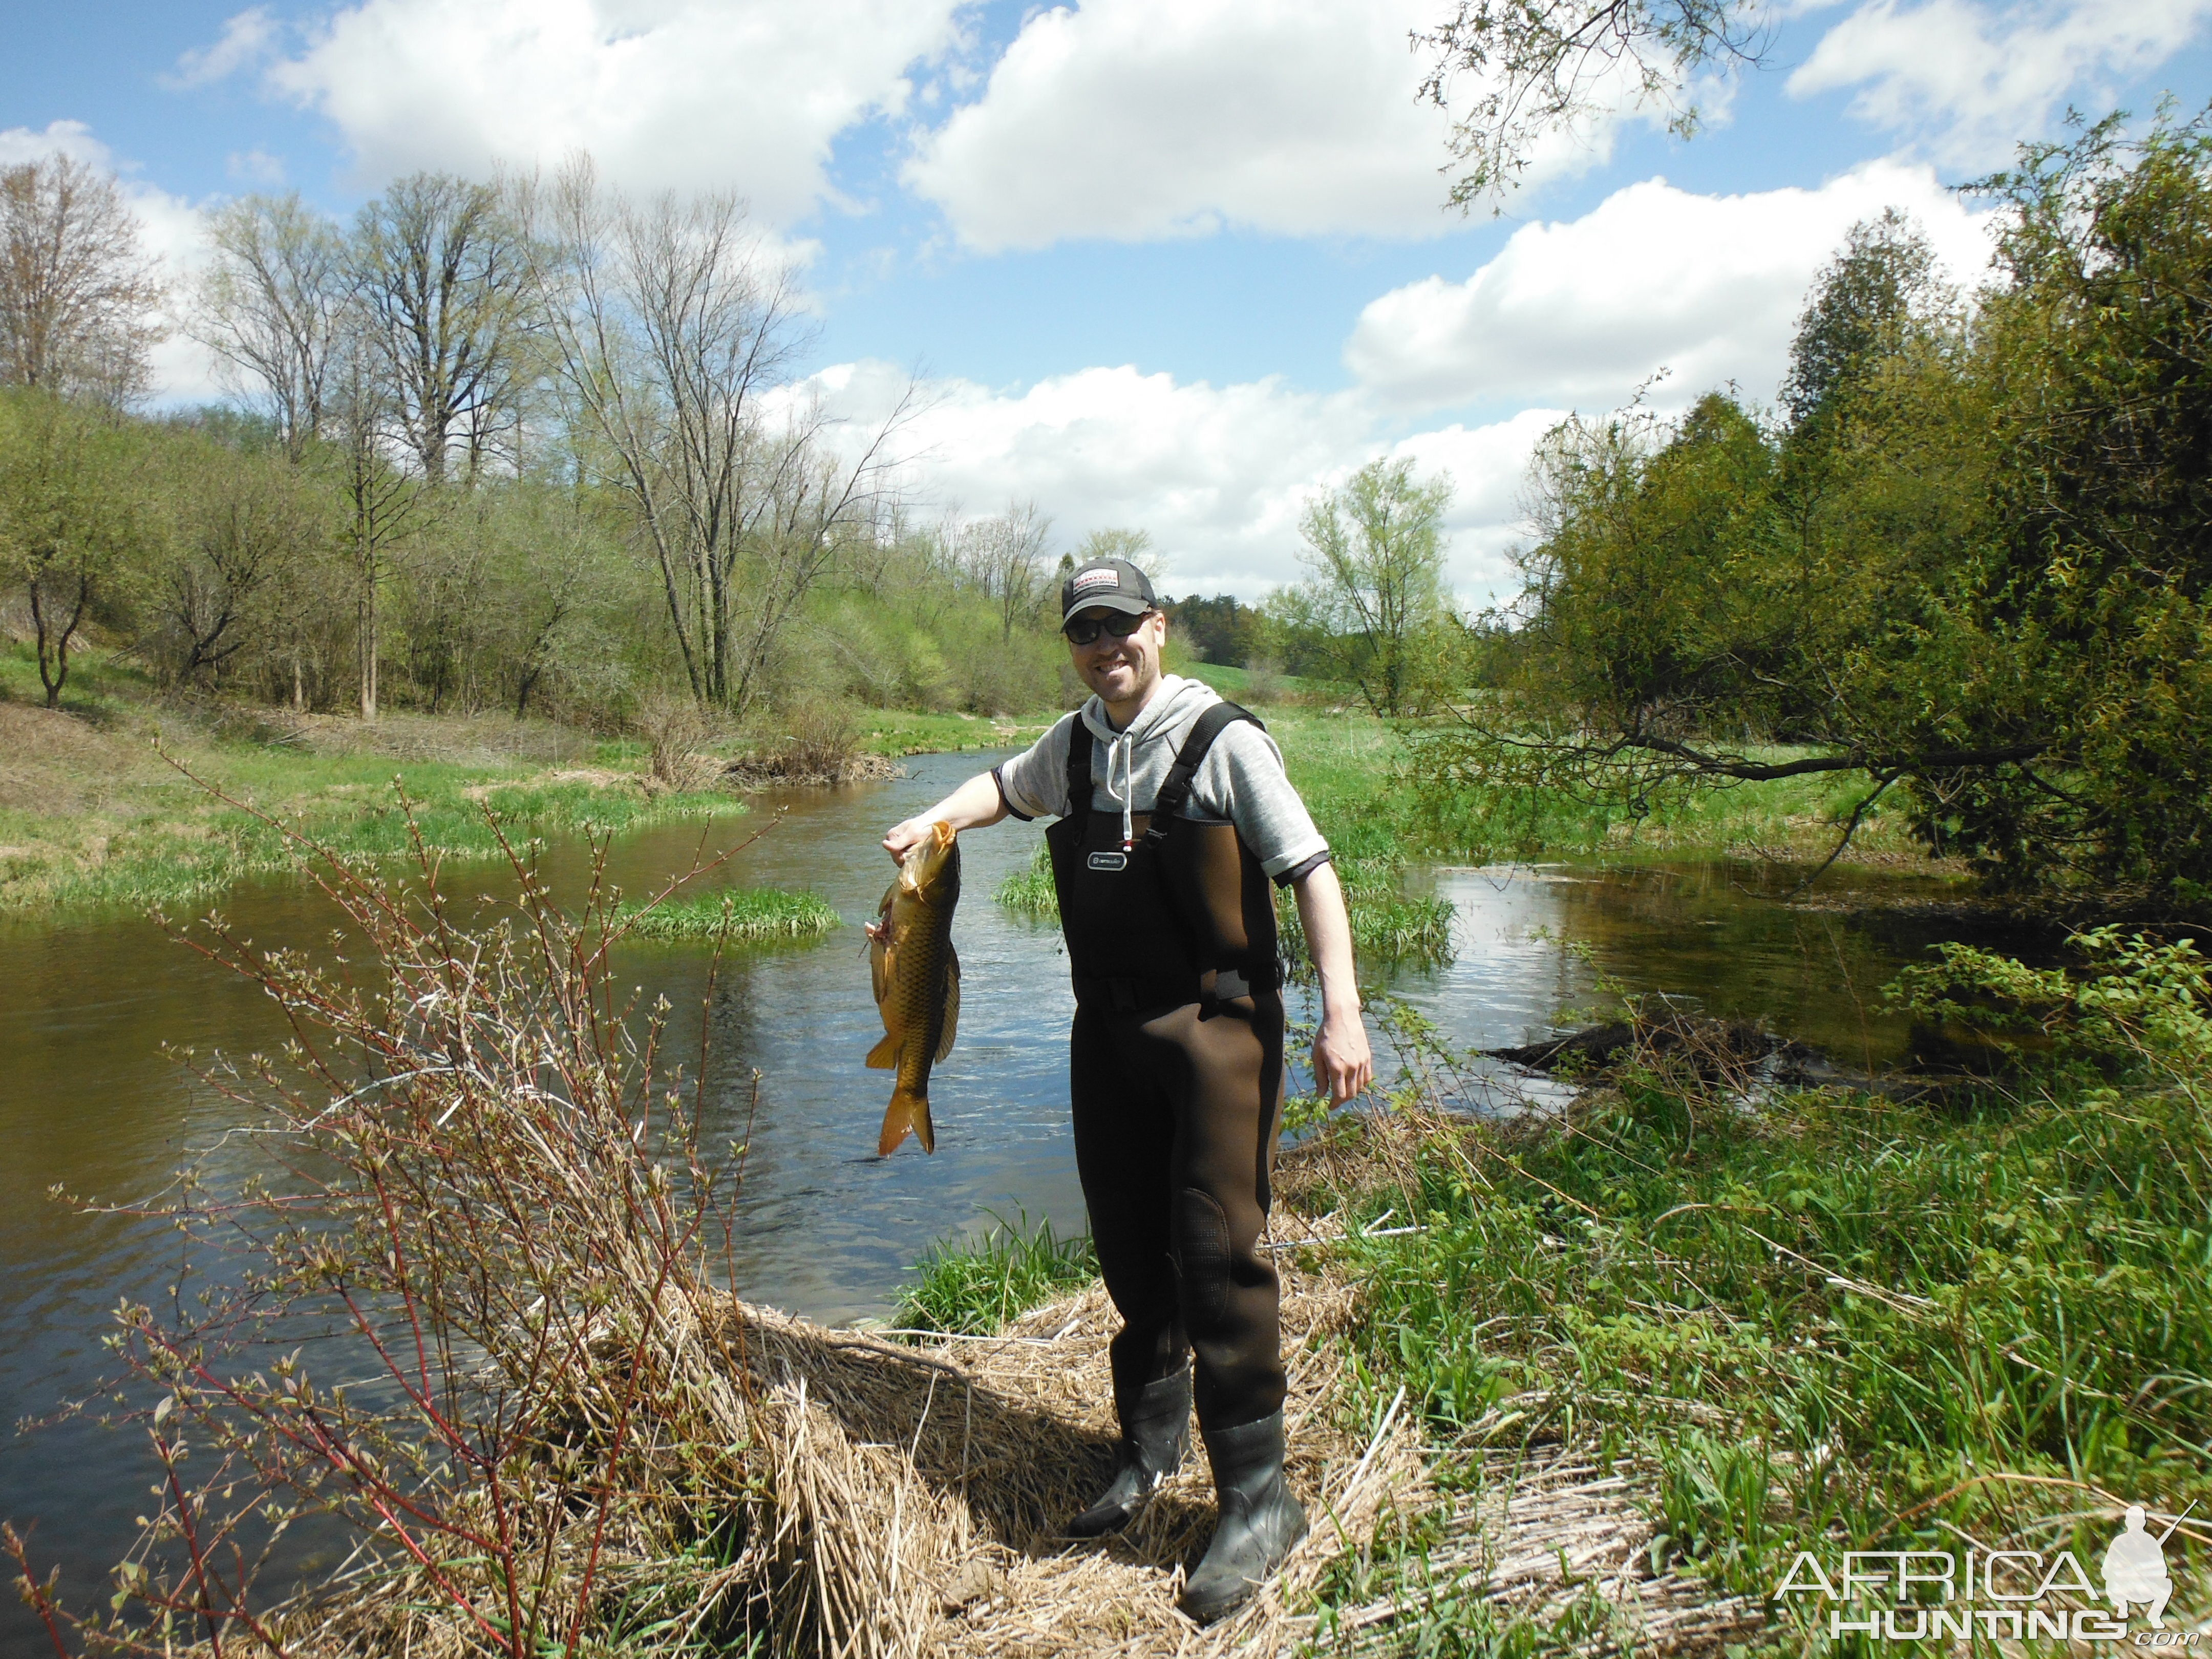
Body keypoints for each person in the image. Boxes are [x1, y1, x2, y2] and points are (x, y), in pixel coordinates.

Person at [881, 557, 1372, 1624]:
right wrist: (933, 824)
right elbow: (1003, 790)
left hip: (1218, 1029)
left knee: (1217, 1253)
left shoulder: (1222, 740)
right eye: (1084, 633)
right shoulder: (1076, 745)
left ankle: (1259, 1497)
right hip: (1105, 1031)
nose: (1105, 648)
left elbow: (1313, 871)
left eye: (1120, 628)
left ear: (1159, 627)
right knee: (1129, 1249)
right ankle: (1147, 1450)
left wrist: (1344, 1011)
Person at [2102, 1505, 2174, 1628]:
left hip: (2145, 1586)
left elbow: (2162, 1568)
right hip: (2123, 1586)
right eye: (2132, 1521)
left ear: (2144, 1522)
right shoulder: (2119, 1542)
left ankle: (2154, 1615)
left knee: (2167, 1585)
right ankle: (2122, 1610)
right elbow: (2107, 1568)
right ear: (2127, 1522)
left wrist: (2147, 1572)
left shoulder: (2150, 1541)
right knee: (2111, 1585)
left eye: (2139, 1521)